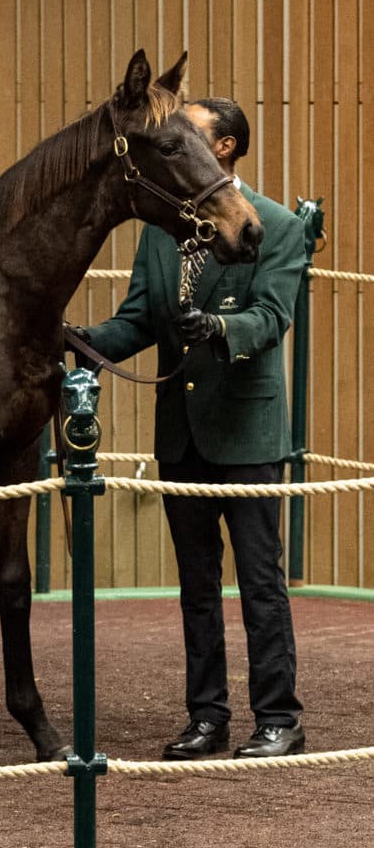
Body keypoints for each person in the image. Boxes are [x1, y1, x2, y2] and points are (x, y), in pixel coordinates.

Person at [78, 98, 306, 759]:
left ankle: (279, 719)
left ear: (227, 148)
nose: (177, 139)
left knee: (262, 584)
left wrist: (219, 329)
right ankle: (207, 717)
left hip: (245, 434)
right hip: (181, 435)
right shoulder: (163, 228)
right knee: (197, 589)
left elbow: (269, 319)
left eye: (195, 133)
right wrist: (77, 342)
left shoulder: (279, 227)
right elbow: (137, 321)